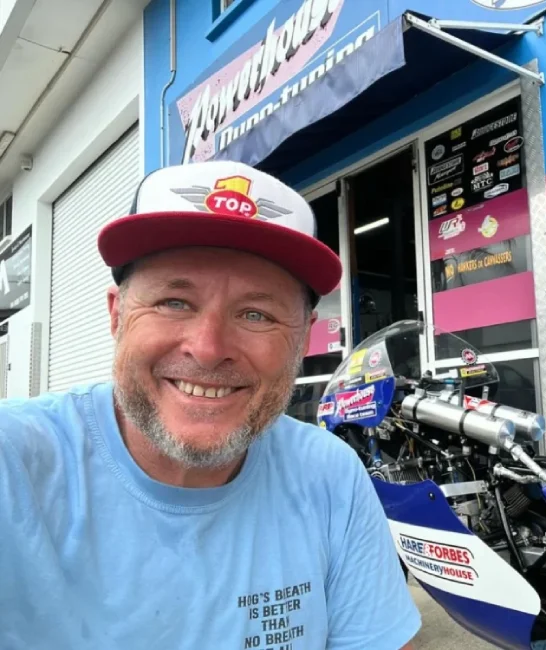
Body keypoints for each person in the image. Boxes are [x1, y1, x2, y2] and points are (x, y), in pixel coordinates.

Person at [0, 160, 422, 649]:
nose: (207, 347)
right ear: (117, 316)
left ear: (303, 340)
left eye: (255, 313)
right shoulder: (14, 465)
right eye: (174, 302)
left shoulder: (329, 476)